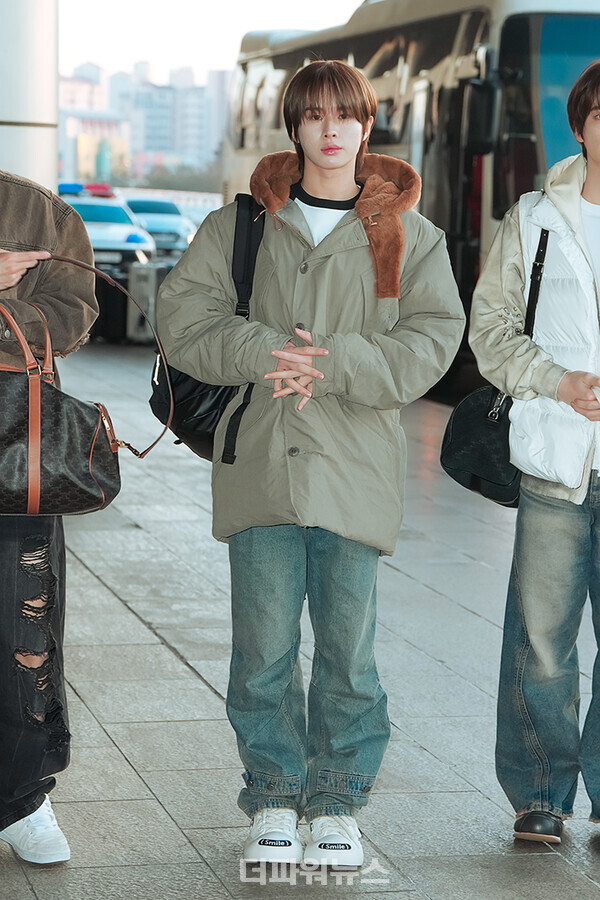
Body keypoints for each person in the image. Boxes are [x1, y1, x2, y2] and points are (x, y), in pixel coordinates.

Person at [157, 60, 464, 866]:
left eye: (347, 116)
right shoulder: (243, 226)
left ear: (368, 127)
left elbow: (432, 339)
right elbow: (183, 320)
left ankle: (338, 801)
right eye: (314, 115)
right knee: (260, 649)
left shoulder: (406, 233)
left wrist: (331, 363)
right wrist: (265, 351)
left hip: (353, 468)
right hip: (260, 465)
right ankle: (272, 797)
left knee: (346, 650)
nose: (331, 130)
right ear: (292, 126)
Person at [469, 60, 600, 844]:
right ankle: (539, 793)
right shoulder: (534, 218)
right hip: (558, 456)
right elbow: (489, 331)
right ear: (582, 121)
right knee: (542, 635)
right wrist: (557, 381)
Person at [0, 169, 97, 863]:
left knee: (22, 618)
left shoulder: (36, 209)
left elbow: (74, 314)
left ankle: (23, 797)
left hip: (15, 447)